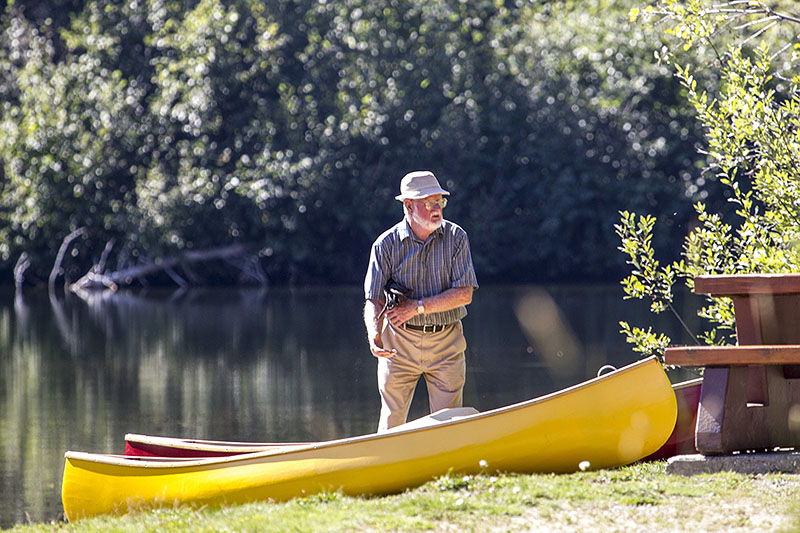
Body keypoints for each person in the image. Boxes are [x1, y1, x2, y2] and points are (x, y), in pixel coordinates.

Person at [363, 170, 479, 431]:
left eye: (440, 202)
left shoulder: (456, 237)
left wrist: (415, 308)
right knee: (392, 422)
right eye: (428, 203)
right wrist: (374, 334)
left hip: (446, 342)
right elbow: (374, 298)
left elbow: (464, 294)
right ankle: (389, 469)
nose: (436, 209)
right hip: (398, 344)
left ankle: (448, 471)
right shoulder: (385, 245)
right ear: (408, 206)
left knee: (450, 424)